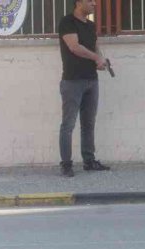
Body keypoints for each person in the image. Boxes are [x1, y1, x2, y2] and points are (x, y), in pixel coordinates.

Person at [57, 0, 110, 178]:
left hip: (91, 80)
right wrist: (96, 58)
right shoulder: (67, 22)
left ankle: (89, 161)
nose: (94, 3)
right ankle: (66, 164)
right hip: (72, 81)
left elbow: (95, 46)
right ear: (79, 3)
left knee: (88, 124)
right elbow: (74, 47)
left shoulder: (91, 25)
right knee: (68, 124)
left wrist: (100, 60)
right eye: (90, 1)